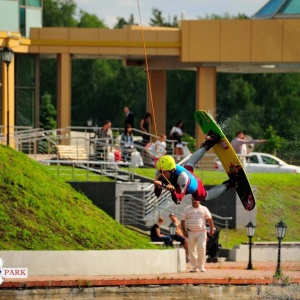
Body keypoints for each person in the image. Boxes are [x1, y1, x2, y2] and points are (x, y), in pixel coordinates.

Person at [153, 130, 237, 205]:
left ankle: (229, 184)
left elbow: (178, 200)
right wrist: (158, 186)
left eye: (164, 172)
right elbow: (157, 195)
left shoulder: (182, 177)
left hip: (192, 183)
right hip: (184, 176)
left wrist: (172, 191)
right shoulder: (159, 172)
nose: (161, 173)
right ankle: (209, 142)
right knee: (190, 163)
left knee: (204, 196)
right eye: (160, 171)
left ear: (172, 170)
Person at [181, 197, 214, 272]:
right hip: (191, 232)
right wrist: (184, 231)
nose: (194, 201)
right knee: (192, 250)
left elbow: (209, 219)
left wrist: (212, 229)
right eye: (192, 199)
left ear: (199, 200)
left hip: (201, 232)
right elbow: (182, 220)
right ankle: (194, 266)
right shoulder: (187, 209)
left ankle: (201, 265)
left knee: (202, 247)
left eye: (195, 199)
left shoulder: (204, 209)